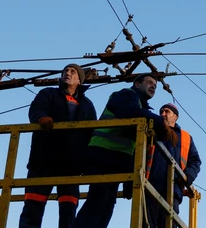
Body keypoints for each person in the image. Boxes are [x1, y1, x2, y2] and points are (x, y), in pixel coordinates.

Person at [73, 73, 178, 228]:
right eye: (149, 83)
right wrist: (159, 122)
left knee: (107, 203)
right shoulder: (125, 95)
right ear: (137, 84)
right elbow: (129, 112)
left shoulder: (141, 106)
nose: (153, 87)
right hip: (103, 153)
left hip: (117, 158)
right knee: (98, 199)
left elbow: (136, 145)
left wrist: (129, 180)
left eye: (155, 86)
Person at [19, 64, 97, 228]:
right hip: (43, 161)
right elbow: (36, 109)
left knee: (68, 210)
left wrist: (88, 163)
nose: (68, 73)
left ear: (79, 80)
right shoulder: (48, 94)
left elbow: (92, 134)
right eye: (65, 71)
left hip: (71, 166)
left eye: (72, 72)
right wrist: (41, 118)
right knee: (33, 206)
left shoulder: (87, 105)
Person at [144, 103, 201, 228]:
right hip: (149, 187)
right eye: (161, 112)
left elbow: (195, 161)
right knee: (147, 224)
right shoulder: (152, 131)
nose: (163, 114)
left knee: (169, 224)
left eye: (167, 112)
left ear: (175, 116)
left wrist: (187, 177)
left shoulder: (185, 137)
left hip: (173, 190)